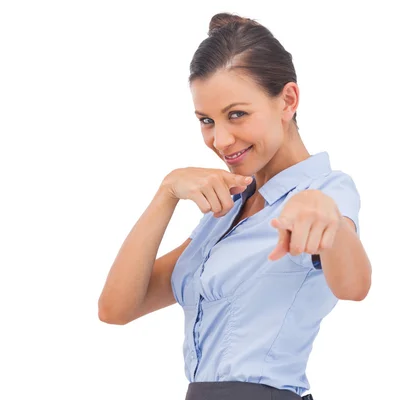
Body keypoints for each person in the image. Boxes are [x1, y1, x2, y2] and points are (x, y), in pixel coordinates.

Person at [98, 12, 372, 400]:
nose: (221, 140)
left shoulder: (325, 191)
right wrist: (166, 192)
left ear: (288, 100)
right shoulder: (224, 211)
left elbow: (354, 285)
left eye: (237, 115)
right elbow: (116, 308)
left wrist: (332, 226)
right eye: (207, 120)